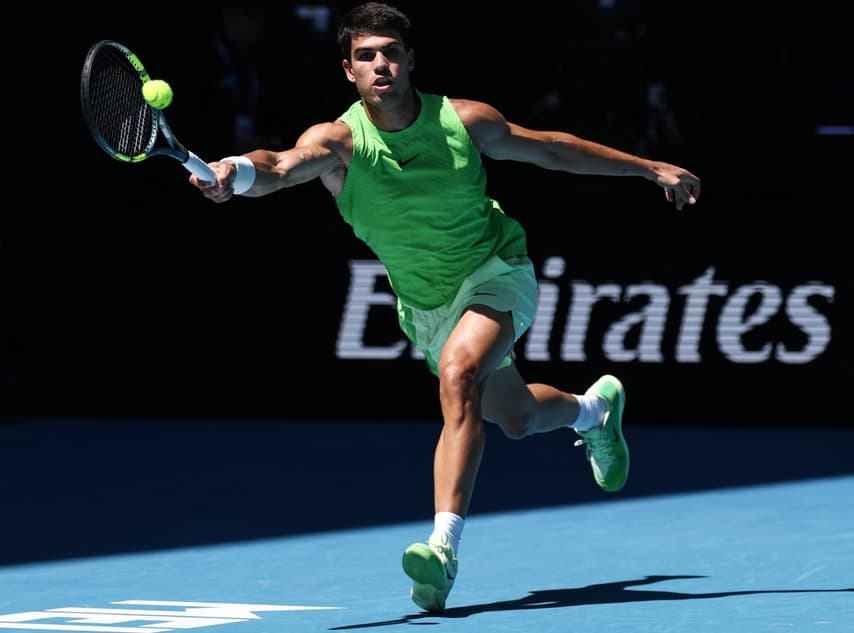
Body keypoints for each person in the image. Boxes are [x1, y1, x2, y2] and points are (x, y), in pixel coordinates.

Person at [190, 1, 700, 613]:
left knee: (459, 376)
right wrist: (236, 172)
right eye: (365, 56)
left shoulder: (463, 121)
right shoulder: (339, 142)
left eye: (390, 53)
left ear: (410, 61)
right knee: (513, 417)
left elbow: (553, 150)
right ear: (348, 70)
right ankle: (593, 412)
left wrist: (650, 168)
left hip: (496, 270)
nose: (380, 64)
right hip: (425, 306)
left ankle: (442, 547)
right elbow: (280, 166)